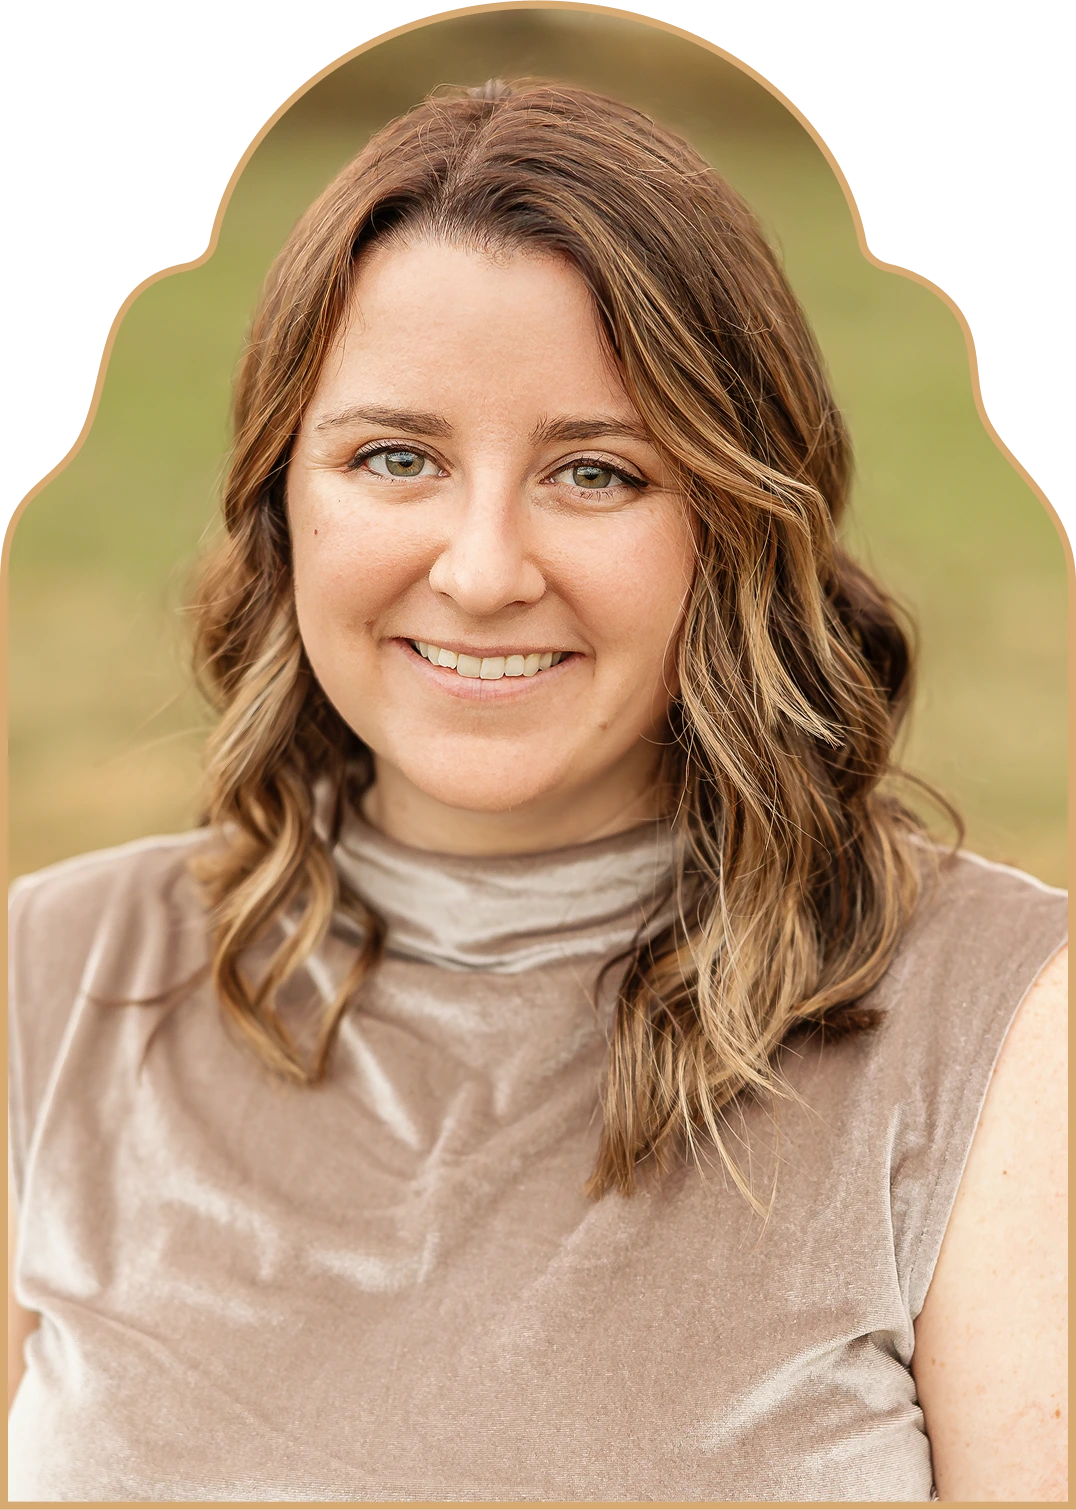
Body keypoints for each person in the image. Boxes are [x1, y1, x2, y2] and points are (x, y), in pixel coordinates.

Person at [7, 79, 1067, 1502]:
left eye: (594, 471)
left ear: (735, 522)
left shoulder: (1003, 1024)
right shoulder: (46, 981)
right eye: (397, 458)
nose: (486, 568)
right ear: (283, 499)